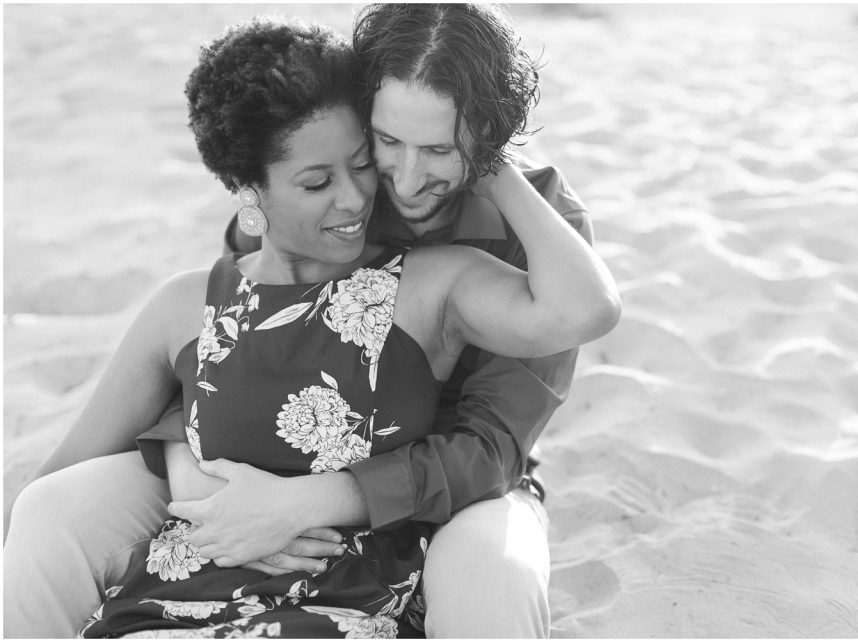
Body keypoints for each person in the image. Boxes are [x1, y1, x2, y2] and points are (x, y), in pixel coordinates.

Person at [3, 4, 597, 638]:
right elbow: (233, 350)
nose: (405, 178)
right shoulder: (310, 194)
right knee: (51, 508)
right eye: (386, 143)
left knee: (490, 573)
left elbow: (491, 450)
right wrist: (198, 471)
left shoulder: (535, 238)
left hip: (456, 485)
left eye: (440, 149)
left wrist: (312, 500)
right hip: (256, 461)